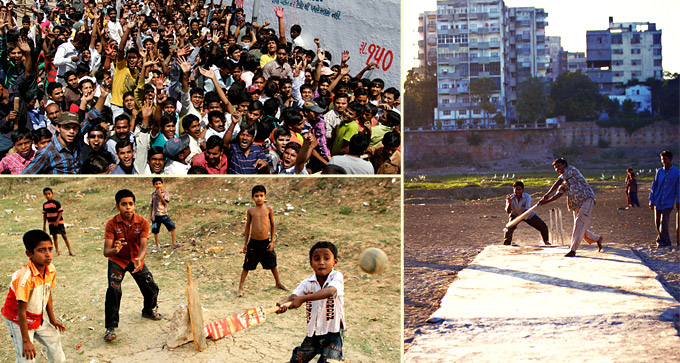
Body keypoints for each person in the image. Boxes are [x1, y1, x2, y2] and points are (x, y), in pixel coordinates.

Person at [103, 189, 161, 341]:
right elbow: (106, 251)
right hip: (117, 261)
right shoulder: (111, 224)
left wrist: (140, 259)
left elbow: (143, 246)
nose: (127, 207)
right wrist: (114, 249)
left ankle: (148, 310)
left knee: (151, 287)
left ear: (135, 205)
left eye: (130, 204)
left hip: (136, 259)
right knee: (114, 290)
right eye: (124, 204)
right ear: (118, 206)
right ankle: (111, 327)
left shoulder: (142, 222)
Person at [1, 230, 66, 363]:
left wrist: (52, 320)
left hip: (35, 316)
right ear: (29, 254)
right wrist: (26, 341)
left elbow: (47, 293)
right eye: (41, 250)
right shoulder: (25, 278)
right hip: (18, 319)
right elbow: (21, 312)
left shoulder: (51, 270)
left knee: (53, 338)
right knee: (27, 356)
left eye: (50, 249)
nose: (48, 254)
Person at [276, 241, 344, 363]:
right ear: (311, 263)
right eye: (317, 259)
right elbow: (293, 297)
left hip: (333, 334)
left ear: (335, 261)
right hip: (313, 333)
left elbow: (329, 292)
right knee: (297, 360)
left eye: (327, 258)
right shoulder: (307, 282)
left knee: (328, 361)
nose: (322, 262)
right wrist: (282, 304)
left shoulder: (336, 277)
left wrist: (302, 299)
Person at [539, 158, 603, 257]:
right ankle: (597, 239)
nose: (558, 169)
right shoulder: (564, 180)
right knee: (581, 227)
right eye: (555, 168)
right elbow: (559, 194)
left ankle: (573, 250)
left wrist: (546, 194)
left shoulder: (571, 170)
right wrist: (546, 201)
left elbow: (558, 182)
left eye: (559, 166)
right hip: (576, 204)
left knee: (579, 224)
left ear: (564, 165)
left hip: (587, 199)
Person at [237, 185, 287, 297]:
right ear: (252, 197)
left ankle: (278, 282)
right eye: (256, 196)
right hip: (253, 243)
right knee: (247, 265)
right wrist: (245, 244)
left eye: (261, 195)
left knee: (273, 263)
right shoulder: (250, 211)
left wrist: (272, 241)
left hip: (265, 242)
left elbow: (273, 225)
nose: (259, 198)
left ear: (265, 196)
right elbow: (247, 227)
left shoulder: (268, 209)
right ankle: (241, 287)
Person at [649, 150, 680, 248]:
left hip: (668, 201)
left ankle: (661, 241)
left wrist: (678, 200)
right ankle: (667, 241)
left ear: (670, 159)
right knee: (657, 222)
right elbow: (654, 186)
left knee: (664, 221)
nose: (663, 161)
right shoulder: (659, 172)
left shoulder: (677, 173)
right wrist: (651, 200)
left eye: (665, 159)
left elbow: (678, 188)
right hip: (658, 201)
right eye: (662, 160)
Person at [503, 181, 550, 246]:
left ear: (523, 190)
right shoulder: (510, 198)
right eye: (516, 189)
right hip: (515, 215)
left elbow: (527, 209)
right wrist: (509, 203)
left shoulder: (527, 197)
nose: (518, 191)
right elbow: (508, 211)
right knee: (508, 228)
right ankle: (506, 243)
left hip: (528, 215)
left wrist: (521, 215)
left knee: (543, 226)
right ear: (513, 189)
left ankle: (546, 241)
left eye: (519, 189)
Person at [42, 187, 74, 256]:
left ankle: (70, 251)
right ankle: (57, 251)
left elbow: (60, 212)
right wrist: (44, 225)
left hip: (59, 223)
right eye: (46, 194)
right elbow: (45, 215)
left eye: (49, 194)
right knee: (54, 237)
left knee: (64, 236)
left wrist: (57, 221)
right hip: (51, 223)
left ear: (52, 194)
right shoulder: (45, 205)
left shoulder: (56, 203)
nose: (47, 195)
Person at [149, 177, 179, 250]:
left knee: (172, 227)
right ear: (153, 185)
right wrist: (151, 215)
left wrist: (160, 195)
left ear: (162, 184)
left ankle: (174, 243)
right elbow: (151, 205)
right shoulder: (153, 194)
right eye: (156, 184)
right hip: (155, 216)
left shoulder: (165, 193)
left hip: (164, 214)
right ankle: (157, 245)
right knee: (155, 230)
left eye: (159, 183)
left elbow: (165, 203)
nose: (158, 185)